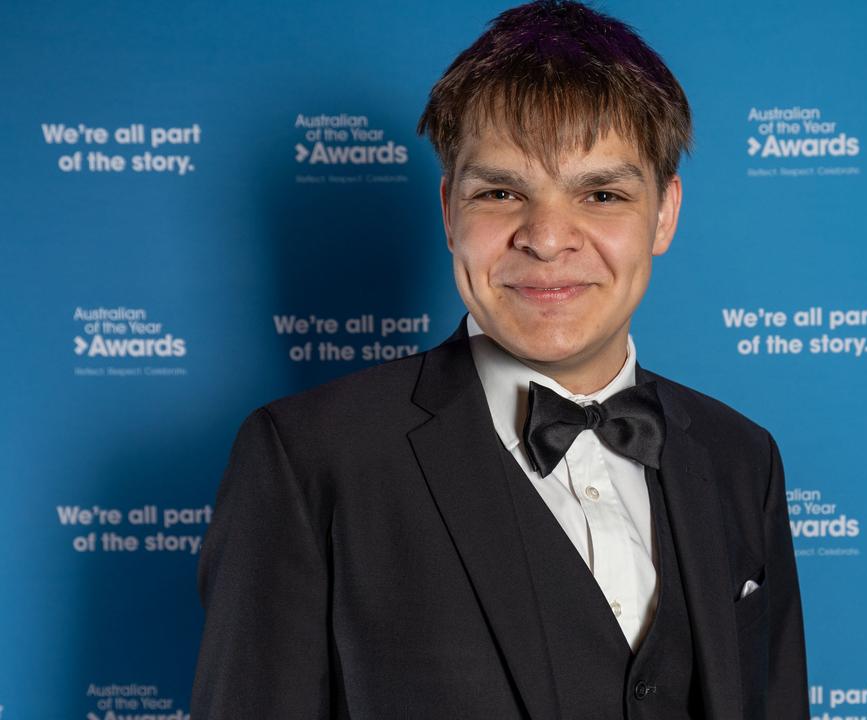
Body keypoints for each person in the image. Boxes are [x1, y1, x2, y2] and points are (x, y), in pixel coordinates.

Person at [191, 1, 808, 717]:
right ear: (451, 210)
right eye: (502, 192)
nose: (547, 238)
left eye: (601, 193)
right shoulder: (306, 460)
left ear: (664, 213)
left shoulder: (742, 457)